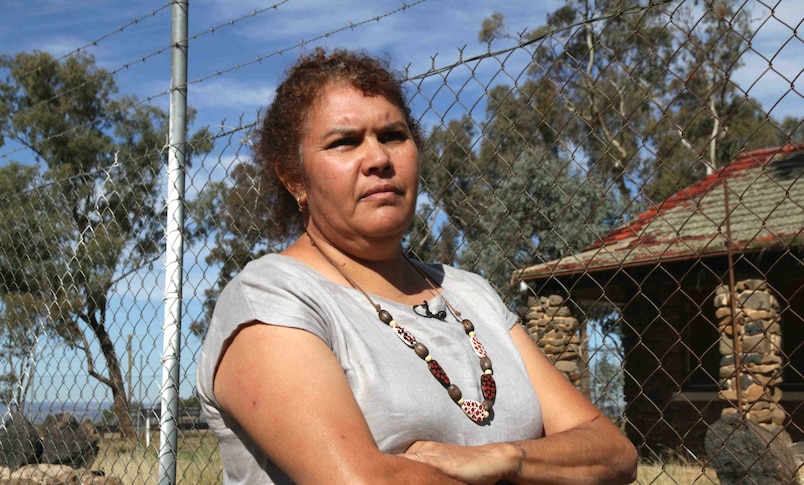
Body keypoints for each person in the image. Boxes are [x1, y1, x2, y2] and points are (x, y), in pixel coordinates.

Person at [196, 48, 638, 485]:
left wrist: (503, 459)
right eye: (344, 142)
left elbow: (612, 452)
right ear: (295, 179)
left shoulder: (470, 294)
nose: (378, 159)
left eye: (393, 135)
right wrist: (550, 468)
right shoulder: (271, 298)